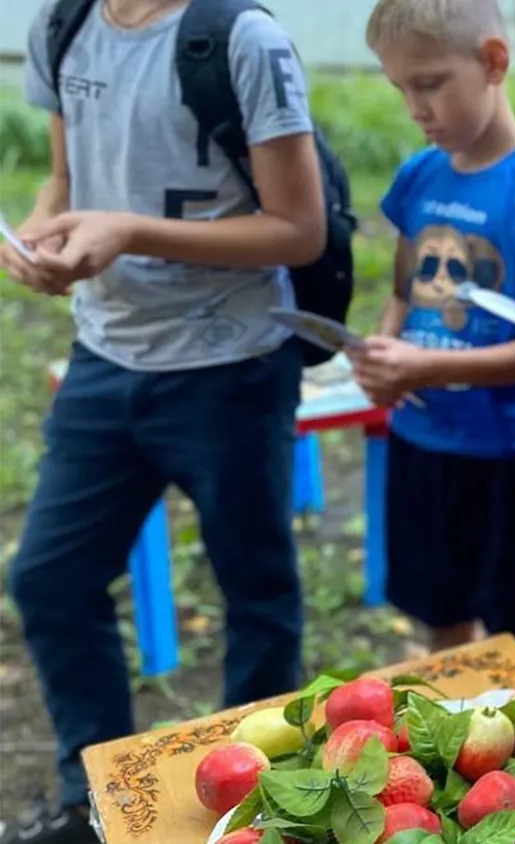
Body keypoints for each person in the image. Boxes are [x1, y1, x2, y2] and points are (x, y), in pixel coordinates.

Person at [0, 0, 325, 840]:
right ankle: (100, 801)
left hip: (232, 369)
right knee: (48, 578)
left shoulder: (242, 39)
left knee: (256, 595)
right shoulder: (63, 23)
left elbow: (300, 230)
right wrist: (42, 238)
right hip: (105, 360)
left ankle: (258, 806)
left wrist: (130, 232)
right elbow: (69, 185)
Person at [354, 0, 515, 663]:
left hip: (509, 461)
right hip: (422, 449)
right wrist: (378, 353)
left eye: (429, 84)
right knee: (443, 635)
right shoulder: (417, 176)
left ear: (493, 62)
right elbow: (402, 297)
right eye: (400, 89)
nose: (415, 108)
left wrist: (422, 367)